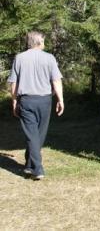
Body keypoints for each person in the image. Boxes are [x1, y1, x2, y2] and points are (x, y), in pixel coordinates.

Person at [7, 31, 64, 180]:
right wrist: (60, 100)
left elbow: (14, 84)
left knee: (34, 135)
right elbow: (56, 81)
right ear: (38, 42)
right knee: (37, 135)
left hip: (26, 101)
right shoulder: (49, 58)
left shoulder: (19, 58)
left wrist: (14, 101)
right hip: (45, 101)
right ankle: (38, 169)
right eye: (44, 41)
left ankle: (29, 164)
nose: (45, 44)